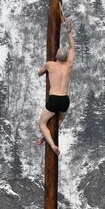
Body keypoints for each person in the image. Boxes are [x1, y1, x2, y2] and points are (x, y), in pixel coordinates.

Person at [37, 17, 76, 155]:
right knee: (60, 118)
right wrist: (69, 33)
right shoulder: (69, 65)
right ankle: (45, 138)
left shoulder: (50, 65)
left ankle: (52, 144)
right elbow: (72, 47)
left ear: (56, 56)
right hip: (64, 100)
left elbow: (39, 73)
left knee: (42, 123)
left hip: (53, 99)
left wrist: (43, 70)